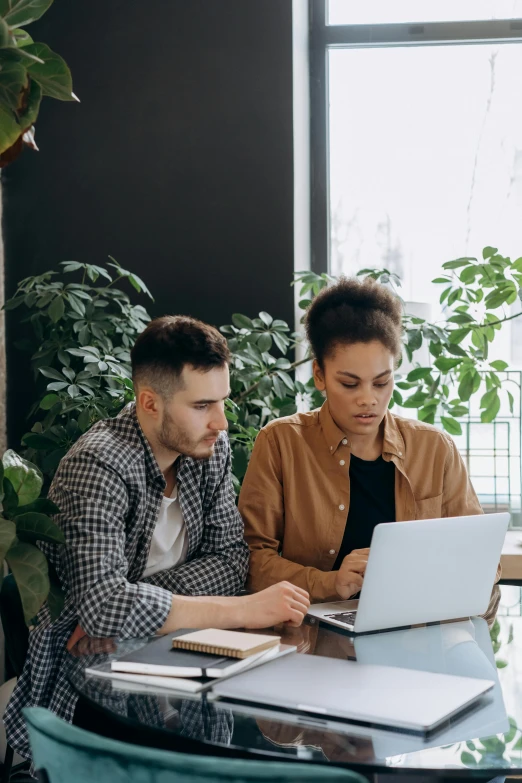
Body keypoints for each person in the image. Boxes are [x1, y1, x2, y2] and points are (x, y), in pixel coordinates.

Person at [5, 315, 309, 759]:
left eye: (221, 402)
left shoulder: (209, 449)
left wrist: (132, 600)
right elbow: (106, 609)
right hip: (92, 691)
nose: (221, 423)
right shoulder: (98, 465)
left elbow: (231, 560)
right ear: (150, 402)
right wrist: (244, 608)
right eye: (203, 406)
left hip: (191, 668)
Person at [240, 276, 500, 601]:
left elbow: (482, 558)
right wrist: (330, 582)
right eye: (350, 384)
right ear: (319, 375)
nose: (368, 399)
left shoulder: (434, 448)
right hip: (311, 633)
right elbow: (250, 561)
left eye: (381, 382)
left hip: (415, 629)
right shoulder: (281, 442)